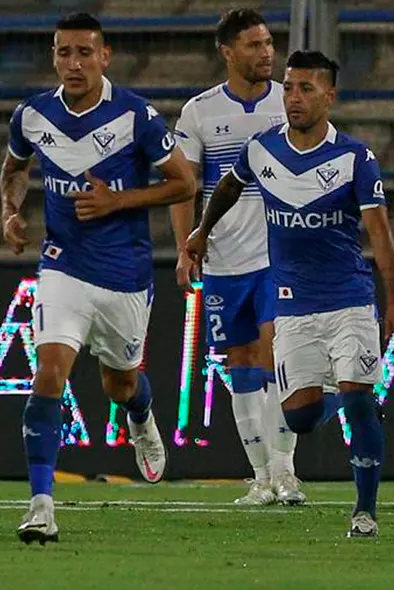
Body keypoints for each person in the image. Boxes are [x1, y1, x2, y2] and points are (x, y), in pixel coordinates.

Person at [185, 50, 394, 537]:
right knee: (302, 416)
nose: (293, 97)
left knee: (355, 398)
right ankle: (350, 396)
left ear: (330, 97)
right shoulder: (262, 149)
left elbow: (381, 237)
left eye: (306, 89)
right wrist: (202, 230)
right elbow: (229, 185)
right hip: (294, 306)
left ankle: (365, 511)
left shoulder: (355, 158)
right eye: (289, 87)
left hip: (350, 300)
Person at [2, 13, 196, 544]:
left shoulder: (136, 118)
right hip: (62, 266)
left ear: (105, 57)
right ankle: (41, 504)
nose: (74, 63)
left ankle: (141, 415)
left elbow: (184, 183)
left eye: (85, 53)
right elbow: (15, 168)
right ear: (54, 57)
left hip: (125, 276)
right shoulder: (33, 115)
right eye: (64, 53)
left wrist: (119, 200)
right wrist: (10, 211)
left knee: (120, 384)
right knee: (48, 374)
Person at [171, 8, 303, 506]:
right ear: (228, 52)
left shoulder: (290, 103)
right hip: (225, 259)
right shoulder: (199, 112)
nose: (266, 52)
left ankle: (286, 471)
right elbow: (184, 188)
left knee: (277, 352)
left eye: (269, 43)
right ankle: (262, 478)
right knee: (242, 363)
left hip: (279, 255)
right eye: (254, 45)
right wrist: (188, 247)